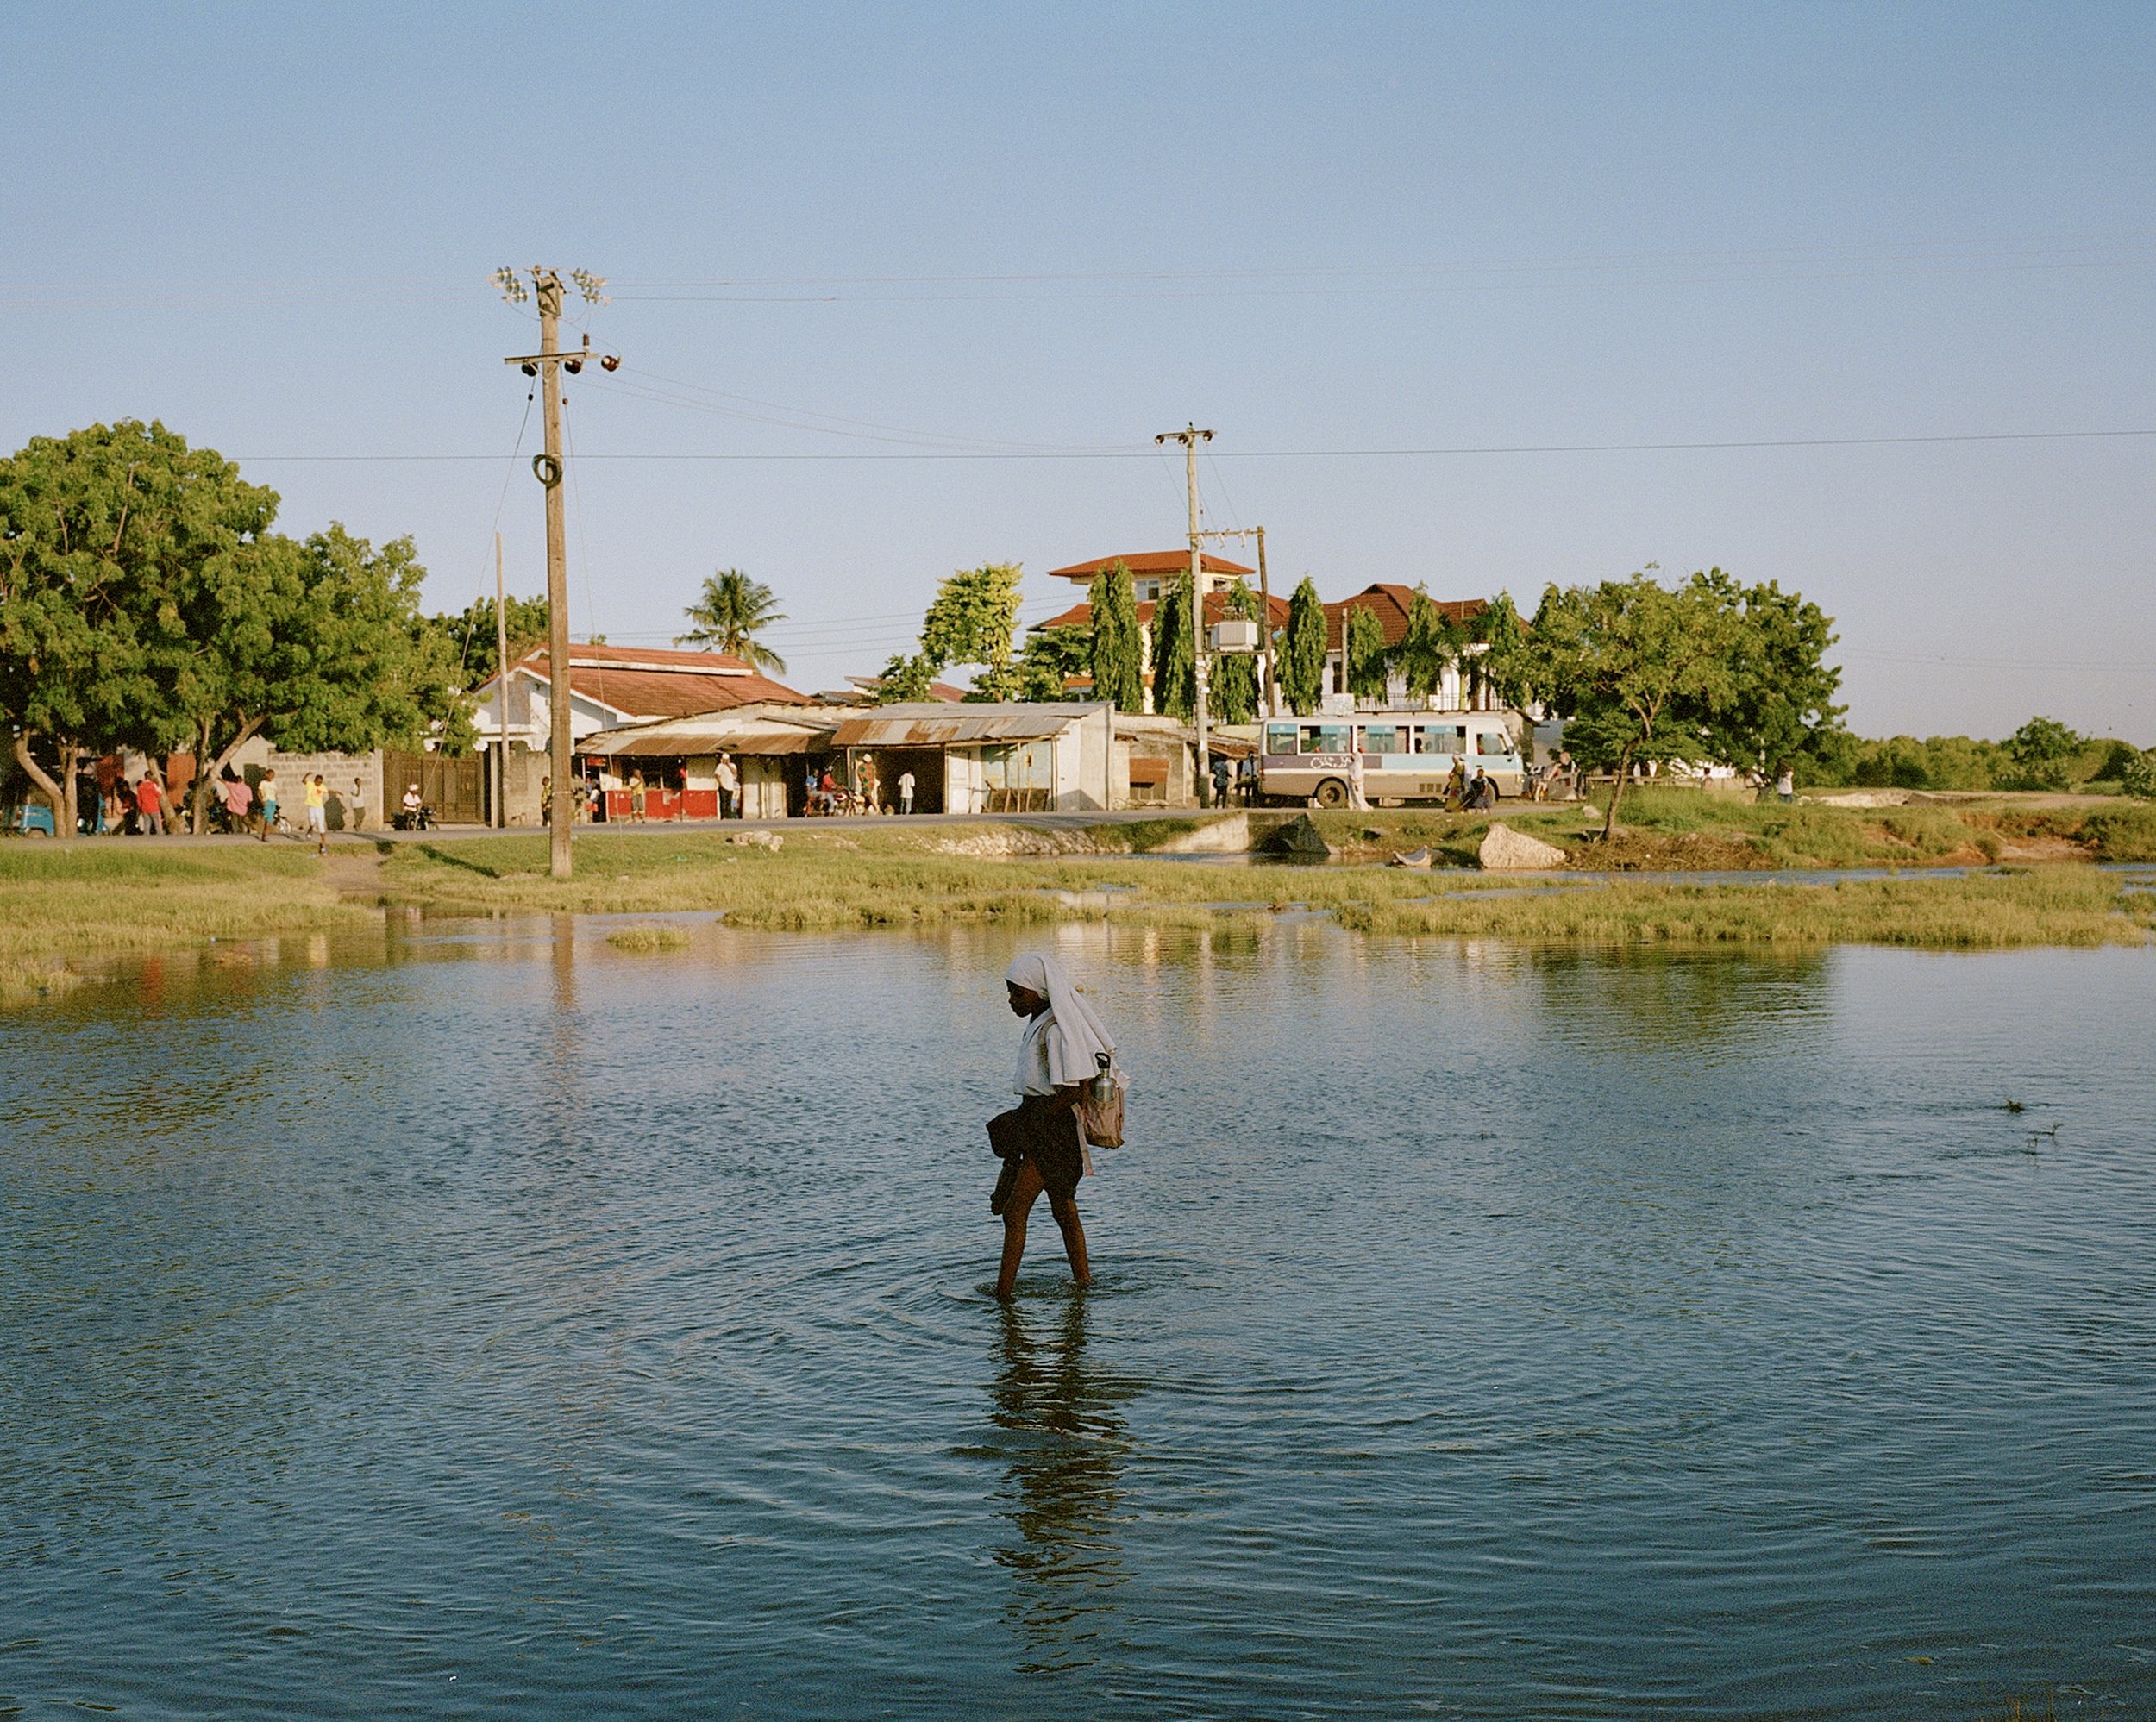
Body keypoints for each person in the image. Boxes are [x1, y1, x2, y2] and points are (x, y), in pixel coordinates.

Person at [987, 953, 1117, 1299]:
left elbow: (1073, 1090)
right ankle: (1083, 1282)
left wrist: (1031, 1121)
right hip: (1043, 1124)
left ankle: (1003, 1295)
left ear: (1038, 992)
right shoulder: (1039, 1024)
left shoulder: (1056, 1032)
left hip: (1052, 1132)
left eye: (1017, 993)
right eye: (1010, 993)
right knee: (1063, 1210)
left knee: (1015, 1211)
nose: (1012, 1000)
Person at [134, 768, 165, 836]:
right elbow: (159, 794)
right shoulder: (153, 785)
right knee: (157, 825)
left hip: (145, 807)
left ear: (145, 777)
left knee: (147, 825)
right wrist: (158, 786)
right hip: (154, 807)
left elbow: (138, 798)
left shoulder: (140, 786)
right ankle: (161, 840)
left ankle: (146, 841)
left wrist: (140, 807)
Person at [304, 773, 329, 854]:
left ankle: (323, 844)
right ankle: (310, 829)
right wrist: (307, 775)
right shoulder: (310, 784)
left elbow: (328, 790)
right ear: (315, 780)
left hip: (319, 808)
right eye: (318, 782)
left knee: (320, 826)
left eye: (320, 782)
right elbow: (303, 781)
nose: (319, 784)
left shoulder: (322, 787)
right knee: (312, 822)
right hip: (311, 807)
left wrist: (336, 792)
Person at [258, 768, 280, 840]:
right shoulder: (263, 783)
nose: (272, 777)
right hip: (267, 801)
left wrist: (276, 799)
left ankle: (264, 834)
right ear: (267, 775)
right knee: (269, 818)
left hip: (273, 801)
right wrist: (262, 801)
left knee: (270, 819)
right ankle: (266, 835)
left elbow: (275, 792)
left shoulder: (273, 783)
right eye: (270, 775)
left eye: (273, 776)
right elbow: (259, 793)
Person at [716, 752, 739, 820]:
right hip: (724, 787)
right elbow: (717, 775)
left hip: (733, 787)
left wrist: (728, 764)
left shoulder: (732, 765)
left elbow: (735, 772)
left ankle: (732, 814)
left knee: (733, 801)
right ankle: (724, 816)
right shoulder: (720, 766)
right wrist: (721, 784)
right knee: (723, 802)